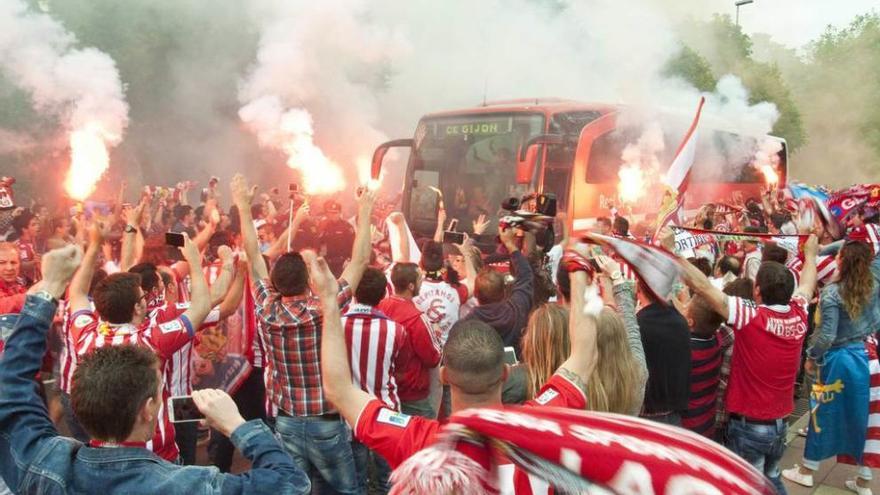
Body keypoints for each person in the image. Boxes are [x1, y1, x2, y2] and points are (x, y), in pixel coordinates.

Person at [0, 245, 311, 495]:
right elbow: (290, 483)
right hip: (163, 448)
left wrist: (55, 282)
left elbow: (11, 390)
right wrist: (238, 426)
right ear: (150, 408)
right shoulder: (151, 339)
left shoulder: (85, 334)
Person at [315, 239, 599, 491]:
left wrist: (329, 302)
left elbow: (338, 389)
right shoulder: (539, 424)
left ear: (445, 376)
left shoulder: (418, 441)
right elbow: (584, 355)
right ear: (504, 373)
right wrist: (577, 270)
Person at [234, 174, 373, 494]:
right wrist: (364, 211)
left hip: (286, 421)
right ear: (308, 280)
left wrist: (243, 206)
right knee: (345, 491)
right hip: (325, 420)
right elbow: (361, 260)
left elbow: (253, 256)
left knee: (296, 489)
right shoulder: (324, 306)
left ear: (276, 282)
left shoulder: (265, 308)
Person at [678, 232, 819, 494]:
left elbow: (705, 288)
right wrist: (811, 255)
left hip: (749, 427)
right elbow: (809, 282)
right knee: (772, 478)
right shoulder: (799, 312)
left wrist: (673, 254)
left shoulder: (751, 317)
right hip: (780, 422)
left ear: (757, 291)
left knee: (745, 487)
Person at [66, 223, 215, 462]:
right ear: (137, 307)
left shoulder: (85, 337)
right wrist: (195, 261)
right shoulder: (151, 340)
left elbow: (77, 293)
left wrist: (94, 246)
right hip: (157, 455)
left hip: (108, 455)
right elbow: (202, 306)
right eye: (142, 296)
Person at [782, 239, 880, 494]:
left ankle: (806, 471)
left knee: (821, 414)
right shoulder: (874, 283)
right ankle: (864, 482)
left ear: (841, 260)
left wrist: (812, 357)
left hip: (839, 361)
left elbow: (826, 336)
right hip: (870, 359)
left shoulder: (832, 292)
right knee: (868, 421)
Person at [342, 267, 408, 494]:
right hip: (386, 414)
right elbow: (400, 370)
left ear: (354, 293)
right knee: (388, 482)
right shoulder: (396, 330)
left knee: (356, 482)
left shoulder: (335, 327)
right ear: (383, 295)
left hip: (351, 416)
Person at [377, 262, 442, 418]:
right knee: (424, 438)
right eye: (420, 278)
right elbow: (433, 358)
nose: (423, 281)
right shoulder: (416, 318)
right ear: (411, 286)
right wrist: (436, 334)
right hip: (412, 395)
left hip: (385, 390)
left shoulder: (380, 307)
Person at [463, 226, 534, 354]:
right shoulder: (517, 309)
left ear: (476, 294)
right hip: (513, 372)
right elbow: (526, 275)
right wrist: (510, 244)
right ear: (504, 291)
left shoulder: (466, 325)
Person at [636, 278, 691, 426]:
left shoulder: (637, 325)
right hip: (674, 414)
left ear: (638, 290)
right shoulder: (681, 322)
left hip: (645, 417)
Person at [681, 294, 725, 438]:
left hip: (687, 426)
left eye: (686, 307)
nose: (684, 307)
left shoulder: (687, 349)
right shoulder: (716, 339)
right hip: (706, 421)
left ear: (690, 321)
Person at [319, 199, 355, 278]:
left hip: (343, 262)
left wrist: (349, 259)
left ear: (340, 213)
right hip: (328, 262)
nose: (333, 215)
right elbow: (321, 243)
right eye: (331, 213)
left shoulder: (347, 227)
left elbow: (353, 245)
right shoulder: (325, 226)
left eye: (335, 213)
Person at [0, 242, 26, 315]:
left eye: (13, 262)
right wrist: (31, 296)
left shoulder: (18, 283)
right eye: (2, 263)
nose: (9, 268)